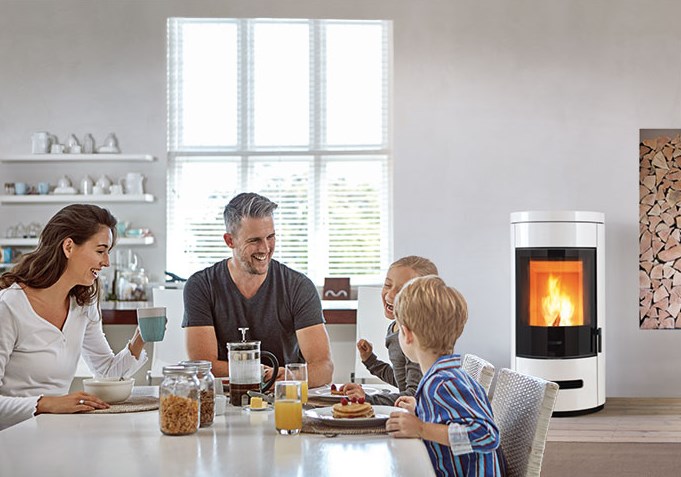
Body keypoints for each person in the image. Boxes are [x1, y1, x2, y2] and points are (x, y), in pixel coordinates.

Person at [0, 204, 148, 431]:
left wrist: (142, 336)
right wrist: (47, 404)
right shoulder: (9, 306)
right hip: (12, 438)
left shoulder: (83, 306)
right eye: (100, 251)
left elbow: (107, 372)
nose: (107, 262)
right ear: (68, 246)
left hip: (55, 431)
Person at [182, 192, 333, 387]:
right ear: (230, 241)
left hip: (283, 398)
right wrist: (260, 372)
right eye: (254, 241)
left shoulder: (298, 286)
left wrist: (287, 377)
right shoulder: (201, 286)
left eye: (270, 237)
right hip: (225, 398)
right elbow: (203, 367)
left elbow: (324, 367)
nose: (265, 248)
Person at [385, 275, 505, 477]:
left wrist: (421, 428)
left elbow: (486, 435)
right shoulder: (443, 378)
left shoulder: (443, 383)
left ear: (407, 334)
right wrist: (421, 410)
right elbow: (453, 418)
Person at [341, 256, 437, 406]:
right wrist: (370, 361)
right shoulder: (395, 328)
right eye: (387, 285)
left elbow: (414, 395)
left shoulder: (418, 336)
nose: (390, 295)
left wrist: (367, 399)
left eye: (402, 290)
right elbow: (401, 381)